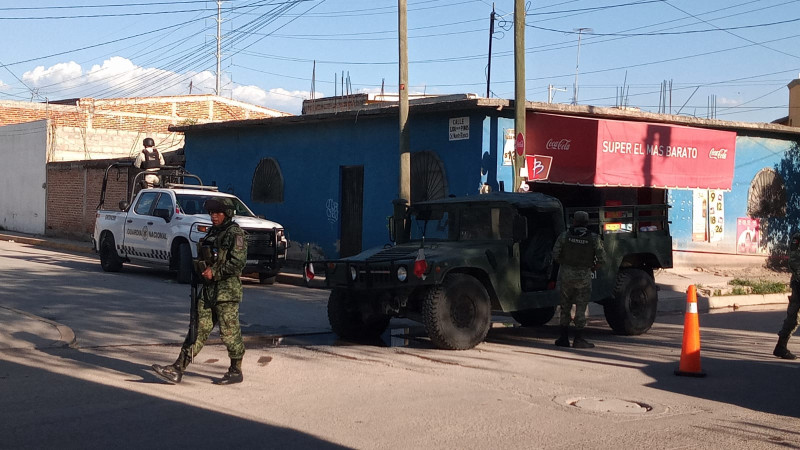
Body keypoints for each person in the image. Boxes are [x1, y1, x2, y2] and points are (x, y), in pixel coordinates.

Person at [152, 197, 248, 384]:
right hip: (208, 290)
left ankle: (236, 370)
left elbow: (238, 263)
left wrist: (215, 271)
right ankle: (178, 368)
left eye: (217, 213)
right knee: (197, 330)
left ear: (227, 214)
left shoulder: (235, 234)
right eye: (211, 213)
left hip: (226, 293)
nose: (213, 216)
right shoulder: (214, 232)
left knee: (230, 332)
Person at [552, 210, 606, 349]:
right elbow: (602, 259)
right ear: (587, 223)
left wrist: (565, 265)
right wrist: (592, 268)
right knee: (581, 307)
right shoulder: (593, 238)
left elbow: (555, 254)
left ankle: (563, 338)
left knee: (565, 306)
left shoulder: (564, 236)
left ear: (574, 221)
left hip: (566, 275)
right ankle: (579, 339)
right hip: (584, 276)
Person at [773, 232, 800, 360]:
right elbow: (794, 262)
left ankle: (780, 347)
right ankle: (781, 346)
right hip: (799, 283)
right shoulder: (798, 237)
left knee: (794, 317)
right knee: (793, 317)